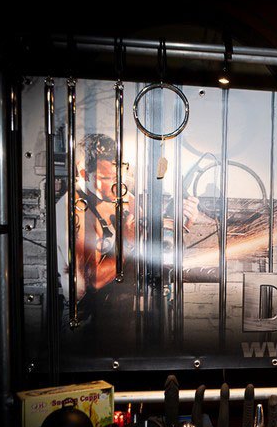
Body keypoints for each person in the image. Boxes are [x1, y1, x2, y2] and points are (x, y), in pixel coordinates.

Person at [56, 133, 199, 324]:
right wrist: (128, 242)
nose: (115, 186)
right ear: (84, 174)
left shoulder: (125, 198)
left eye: (118, 177)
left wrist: (181, 224)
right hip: (85, 318)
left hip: (123, 310)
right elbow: (94, 280)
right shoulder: (74, 209)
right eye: (105, 178)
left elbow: (152, 248)